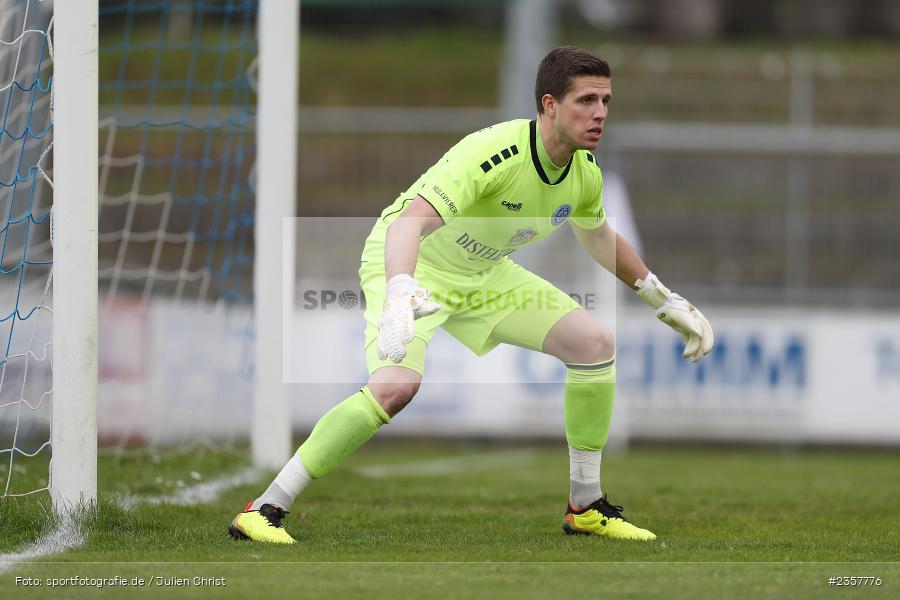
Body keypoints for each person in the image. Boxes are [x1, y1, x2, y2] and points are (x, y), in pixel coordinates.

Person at [229, 46, 713, 544]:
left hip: (484, 274)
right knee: (395, 388)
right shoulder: (494, 152)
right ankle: (264, 509)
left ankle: (585, 506)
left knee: (594, 345)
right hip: (412, 262)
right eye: (586, 100)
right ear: (550, 104)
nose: (600, 114)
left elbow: (598, 237)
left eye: (607, 101)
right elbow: (408, 222)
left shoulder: (583, 173)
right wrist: (400, 291)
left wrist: (661, 298)